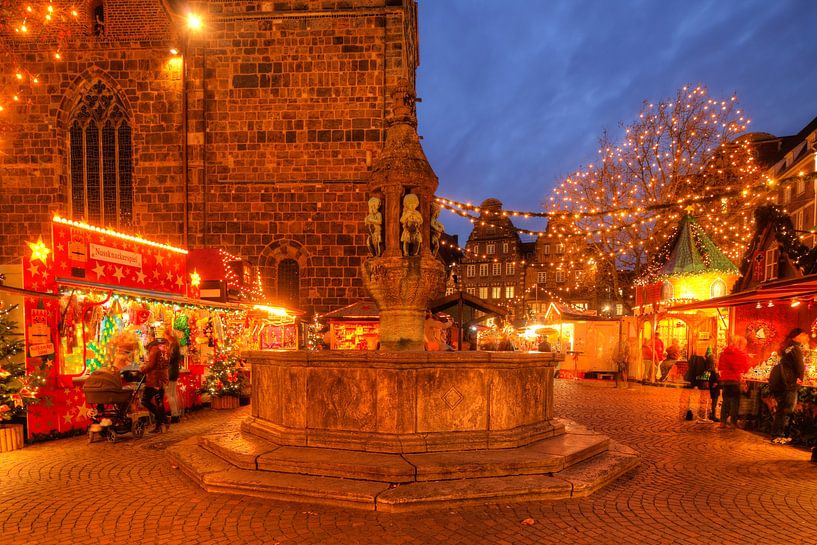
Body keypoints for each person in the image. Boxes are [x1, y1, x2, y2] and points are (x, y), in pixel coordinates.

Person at [769, 327, 807, 444]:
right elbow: (800, 367)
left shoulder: (787, 347)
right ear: (797, 336)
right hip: (790, 382)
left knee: (781, 409)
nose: (805, 338)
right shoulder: (795, 348)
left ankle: (776, 434)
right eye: (804, 335)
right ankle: (779, 435)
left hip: (783, 381)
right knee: (786, 409)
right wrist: (800, 379)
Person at [717, 335, 751, 429]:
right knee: (735, 402)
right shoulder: (741, 354)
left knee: (725, 401)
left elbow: (720, 367)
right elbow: (746, 367)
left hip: (725, 380)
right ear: (741, 344)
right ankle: (733, 423)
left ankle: (722, 422)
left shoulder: (724, 353)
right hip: (735, 380)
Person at [140, 327, 170, 433]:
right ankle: (162, 423)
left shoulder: (154, 349)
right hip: (161, 379)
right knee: (159, 402)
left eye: (146, 337)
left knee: (145, 400)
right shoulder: (162, 349)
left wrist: (142, 369)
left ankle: (162, 419)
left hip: (154, 380)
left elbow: (151, 365)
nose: (144, 339)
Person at [165, 329, 183, 424]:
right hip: (174, 371)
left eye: (166, 335)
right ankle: (176, 414)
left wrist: (166, 356)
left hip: (171, 372)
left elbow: (170, 359)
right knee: (173, 393)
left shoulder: (173, 346)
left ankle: (174, 414)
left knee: (170, 394)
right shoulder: (175, 345)